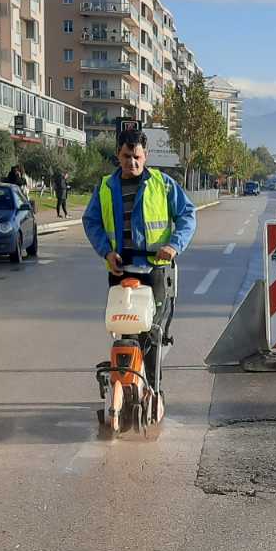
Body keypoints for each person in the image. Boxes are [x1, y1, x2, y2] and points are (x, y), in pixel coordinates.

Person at [82, 129, 196, 376]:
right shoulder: (105, 187)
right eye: (126, 156)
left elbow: (187, 214)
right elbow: (91, 221)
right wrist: (106, 252)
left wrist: (174, 245)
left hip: (155, 270)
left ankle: (153, 391)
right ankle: (124, 383)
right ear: (117, 155)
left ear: (146, 156)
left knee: (151, 332)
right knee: (124, 330)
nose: (131, 162)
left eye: (137, 157)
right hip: (120, 271)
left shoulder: (162, 184)